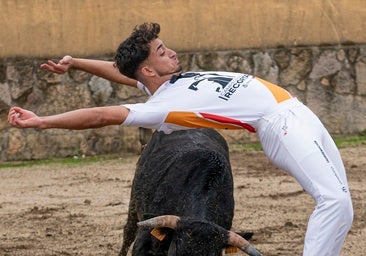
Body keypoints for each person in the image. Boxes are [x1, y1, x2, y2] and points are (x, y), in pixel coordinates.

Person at [8, 22, 353, 256]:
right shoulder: (161, 106)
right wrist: (42, 123)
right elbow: (101, 115)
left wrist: (76, 63)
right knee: (333, 202)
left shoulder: (170, 81)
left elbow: (122, 70)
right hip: (280, 126)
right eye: (161, 51)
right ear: (149, 69)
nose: (171, 52)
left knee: (342, 205)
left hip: (298, 112)